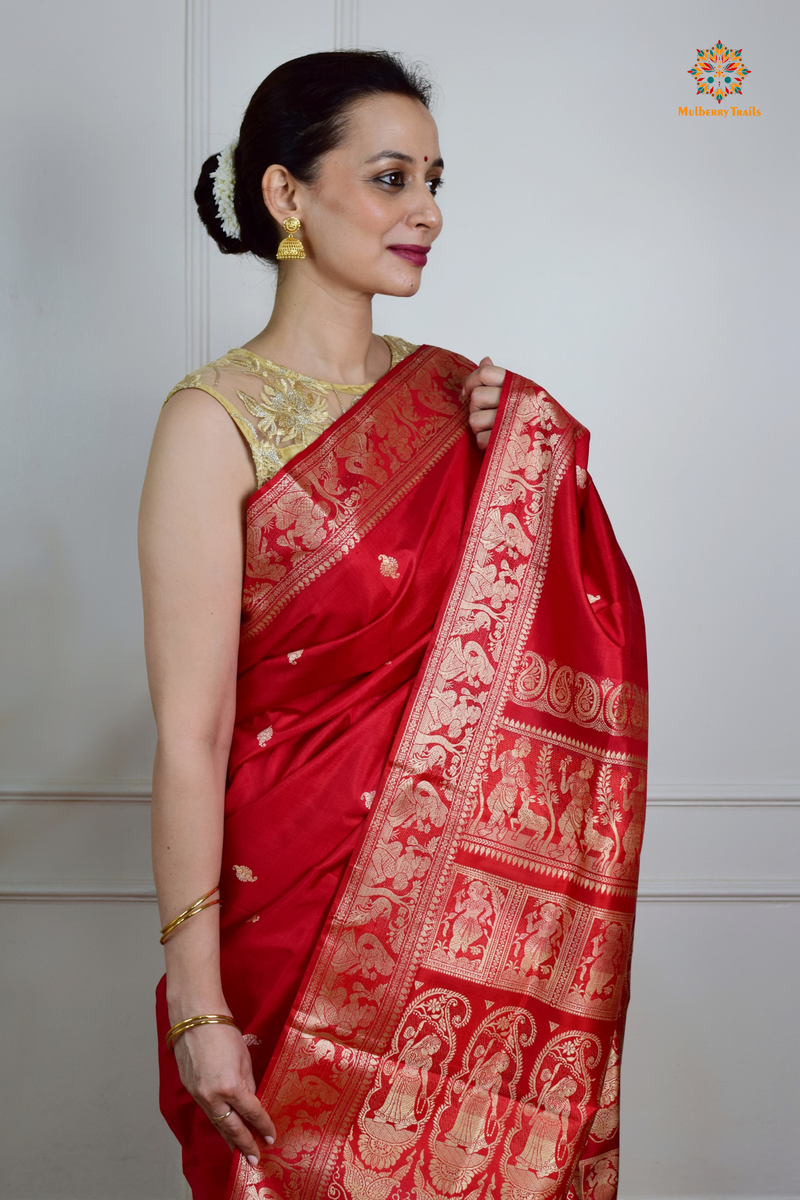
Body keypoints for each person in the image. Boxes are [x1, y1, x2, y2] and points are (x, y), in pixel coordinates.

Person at [138, 50, 648, 1200]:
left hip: (469, 942)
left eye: (432, 179)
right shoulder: (211, 424)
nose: (425, 211)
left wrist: (537, 456)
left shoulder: (459, 400)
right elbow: (190, 735)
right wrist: (199, 1002)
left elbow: (564, 637)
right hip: (286, 934)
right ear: (286, 195)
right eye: (387, 178)